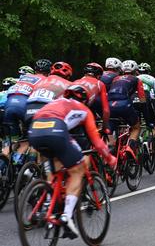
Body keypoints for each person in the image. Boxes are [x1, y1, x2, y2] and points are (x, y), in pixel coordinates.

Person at [28, 85, 117, 238]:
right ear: (86, 100)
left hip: (35, 130)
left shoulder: (54, 102)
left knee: (56, 164)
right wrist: (110, 158)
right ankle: (66, 216)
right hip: (56, 131)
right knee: (78, 169)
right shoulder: (84, 110)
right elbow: (96, 141)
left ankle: (49, 200)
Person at [107, 60, 146, 150]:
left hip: (110, 105)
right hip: (124, 104)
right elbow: (142, 100)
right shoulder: (137, 79)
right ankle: (130, 149)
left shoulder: (115, 79)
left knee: (109, 130)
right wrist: (146, 115)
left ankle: (111, 148)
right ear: (135, 71)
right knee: (136, 127)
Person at [72, 63, 110, 133]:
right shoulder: (99, 83)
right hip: (81, 112)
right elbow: (106, 110)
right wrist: (105, 127)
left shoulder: (75, 82)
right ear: (99, 75)